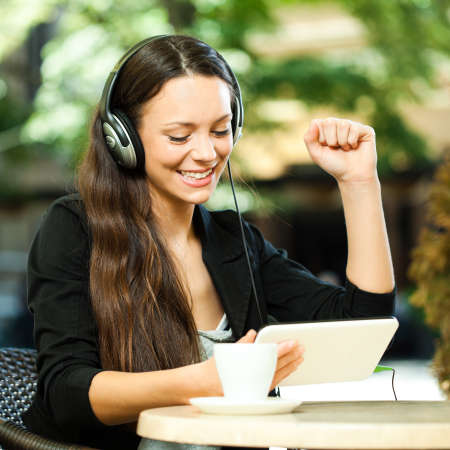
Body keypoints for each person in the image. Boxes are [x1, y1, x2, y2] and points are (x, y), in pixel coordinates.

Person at [22, 35, 396, 450]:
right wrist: (206, 381)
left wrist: (359, 183)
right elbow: (67, 394)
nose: (206, 153)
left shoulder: (233, 242)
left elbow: (364, 323)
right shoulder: (74, 228)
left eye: (220, 130)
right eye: (179, 137)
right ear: (122, 137)